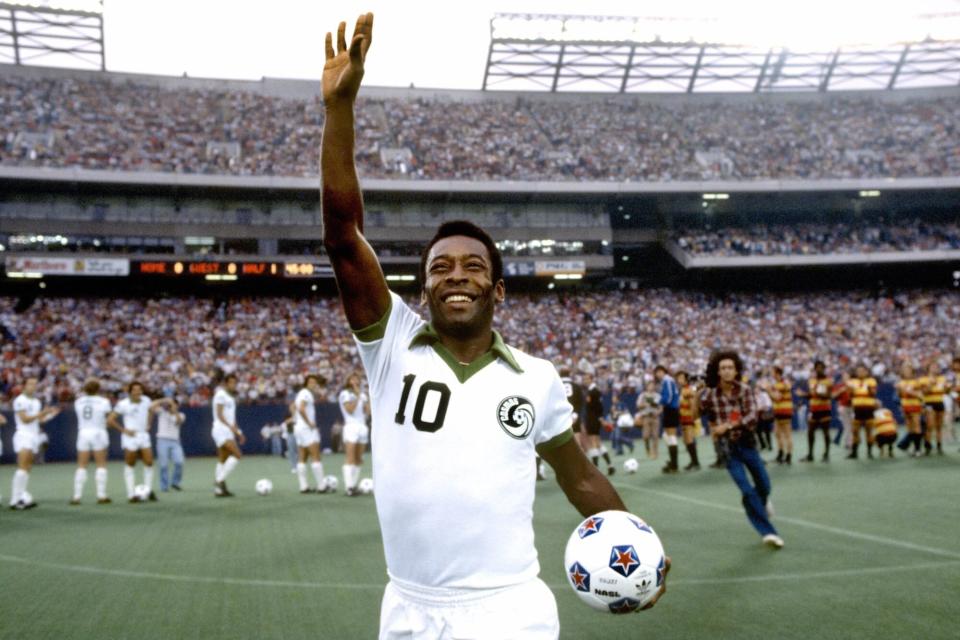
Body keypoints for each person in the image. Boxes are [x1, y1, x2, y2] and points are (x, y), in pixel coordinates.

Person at [320, 13, 667, 635]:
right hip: (407, 609)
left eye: (473, 266)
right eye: (441, 267)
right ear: (422, 288)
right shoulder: (390, 344)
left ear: (497, 288)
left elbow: (579, 477)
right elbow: (344, 239)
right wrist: (339, 110)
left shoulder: (536, 377)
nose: (456, 274)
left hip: (509, 610)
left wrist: (640, 552)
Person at [701, 350, 783, 549]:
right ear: (717, 372)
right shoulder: (710, 394)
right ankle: (768, 532)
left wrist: (726, 426)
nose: (727, 371)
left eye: (730, 367)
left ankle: (760, 504)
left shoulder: (745, 390)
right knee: (747, 490)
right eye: (723, 368)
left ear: (737, 370)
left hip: (747, 443)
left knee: (764, 485)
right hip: (727, 449)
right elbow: (699, 413)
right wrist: (696, 394)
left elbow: (751, 418)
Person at [9, 377, 60, 509]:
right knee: (22, 466)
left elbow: (39, 421)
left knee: (27, 468)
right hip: (23, 435)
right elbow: (25, 419)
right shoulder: (20, 400)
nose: (33, 386)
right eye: (30, 384)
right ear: (24, 385)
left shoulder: (37, 401)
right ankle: (15, 500)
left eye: (35, 384)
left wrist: (51, 414)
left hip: (33, 436)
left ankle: (21, 497)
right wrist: (43, 412)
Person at [113, 381, 164, 503]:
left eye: (140, 389)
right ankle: (131, 494)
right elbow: (110, 420)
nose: (138, 392)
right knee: (130, 463)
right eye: (135, 390)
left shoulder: (146, 400)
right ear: (130, 392)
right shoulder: (123, 404)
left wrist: (149, 423)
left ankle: (148, 491)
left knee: (149, 462)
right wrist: (124, 430)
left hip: (143, 435)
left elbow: (151, 410)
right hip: (130, 437)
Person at [70, 377, 113, 505]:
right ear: (98, 389)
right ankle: (101, 495)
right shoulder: (104, 401)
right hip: (98, 431)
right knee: (101, 464)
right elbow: (109, 419)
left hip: (83, 432)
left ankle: (77, 496)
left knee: (82, 465)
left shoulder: (78, 402)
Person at [294, 374, 332, 494]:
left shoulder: (301, 393)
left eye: (314, 382)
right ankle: (321, 486)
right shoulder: (305, 393)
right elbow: (301, 409)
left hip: (299, 428)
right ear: (306, 383)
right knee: (315, 456)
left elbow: (294, 408)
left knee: (302, 457)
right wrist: (310, 423)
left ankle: (303, 486)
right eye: (311, 382)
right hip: (306, 429)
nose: (313, 384)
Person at [212, 373, 245, 497]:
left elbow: (232, 419)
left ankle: (219, 491)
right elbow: (219, 415)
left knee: (222, 459)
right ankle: (219, 481)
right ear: (225, 383)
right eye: (231, 382)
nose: (233, 385)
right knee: (237, 455)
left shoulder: (231, 398)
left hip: (228, 430)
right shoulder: (220, 394)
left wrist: (238, 432)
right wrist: (230, 427)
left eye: (235, 382)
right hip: (220, 429)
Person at [339, 372, 369, 496]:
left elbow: (368, 411)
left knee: (358, 459)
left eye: (357, 378)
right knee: (350, 458)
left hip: (362, 426)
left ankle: (354, 485)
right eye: (352, 378)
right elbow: (350, 410)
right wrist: (357, 395)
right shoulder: (345, 394)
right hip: (351, 426)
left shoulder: (362, 394)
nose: (355, 380)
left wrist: (367, 399)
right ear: (348, 380)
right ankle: (349, 487)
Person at [582, 372, 615, 475]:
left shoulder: (594, 391)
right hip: (594, 419)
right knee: (598, 443)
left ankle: (596, 469)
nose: (585, 381)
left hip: (593, 419)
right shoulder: (592, 391)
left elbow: (599, 407)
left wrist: (600, 418)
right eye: (584, 379)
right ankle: (610, 465)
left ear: (592, 379)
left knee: (593, 443)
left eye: (587, 379)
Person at [801, 360, 834, 462]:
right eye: (817, 367)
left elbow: (829, 395)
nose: (819, 369)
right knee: (810, 432)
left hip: (824, 408)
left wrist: (818, 394)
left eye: (821, 367)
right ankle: (810, 454)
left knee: (826, 432)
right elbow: (811, 395)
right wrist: (804, 395)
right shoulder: (811, 380)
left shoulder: (828, 381)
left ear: (824, 369)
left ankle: (826, 454)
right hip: (814, 409)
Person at [154, 397, 186, 491]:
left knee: (179, 462)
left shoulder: (181, 415)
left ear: (177, 406)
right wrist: (163, 400)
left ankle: (175, 482)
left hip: (175, 441)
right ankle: (164, 486)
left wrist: (174, 410)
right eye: (170, 404)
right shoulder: (161, 412)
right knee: (163, 465)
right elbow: (150, 406)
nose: (171, 406)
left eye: (174, 404)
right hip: (162, 440)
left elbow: (178, 421)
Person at [654, 365, 682, 473]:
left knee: (671, 436)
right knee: (667, 435)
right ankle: (672, 462)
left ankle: (674, 465)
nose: (658, 374)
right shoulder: (665, 381)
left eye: (660, 371)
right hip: (669, 409)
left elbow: (669, 396)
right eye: (657, 372)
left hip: (671, 409)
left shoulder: (667, 380)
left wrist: (659, 402)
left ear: (663, 371)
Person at [847, 364, 878, 460]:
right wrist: (851, 389)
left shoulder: (871, 381)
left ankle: (869, 452)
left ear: (866, 372)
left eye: (862, 371)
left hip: (868, 408)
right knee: (855, 431)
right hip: (857, 409)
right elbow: (850, 395)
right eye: (858, 371)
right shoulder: (852, 382)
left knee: (869, 431)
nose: (860, 373)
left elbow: (873, 394)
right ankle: (854, 452)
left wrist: (867, 387)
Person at [919, 361, 949, 455]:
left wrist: (947, 388)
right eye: (933, 366)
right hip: (929, 403)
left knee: (939, 426)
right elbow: (923, 392)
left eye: (937, 367)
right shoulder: (923, 379)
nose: (935, 368)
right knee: (930, 425)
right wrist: (931, 384)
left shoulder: (942, 378)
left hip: (939, 402)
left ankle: (939, 446)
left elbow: (946, 392)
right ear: (928, 368)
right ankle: (928, 446)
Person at [896, 362, 924, 457]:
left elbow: (920, 395)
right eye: (905, 371)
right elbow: (899, 396)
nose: (907, 372)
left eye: (908, 370)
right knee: (909, 428)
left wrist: (910, 392)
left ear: (912, 372)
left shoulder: (917, 382)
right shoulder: (900, 383)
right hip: (905, 406)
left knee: (916, 427)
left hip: (915, 405)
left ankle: (918, 449)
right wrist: (899, 391)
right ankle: (911, 448)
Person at [769, 367, 794, 464]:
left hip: (784, 411)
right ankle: (781, 454)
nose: (771, 374)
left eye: (773, 372)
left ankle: (788, 455)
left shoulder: (783, 384)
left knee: (787, 434)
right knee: (777, 433)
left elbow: (777, 398)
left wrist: (768, 390)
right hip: (778, 411)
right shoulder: (776, 384)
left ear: (777, 373)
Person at [677, 371, 701, 470]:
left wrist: (693, 418)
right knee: (686, 440)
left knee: (689, 439)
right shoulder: (683, 389)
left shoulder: (688, 390)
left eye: (681, 378)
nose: (679, 380)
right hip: (683, 418)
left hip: (688, 418)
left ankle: (695, 462)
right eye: (678, 378)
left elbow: (692, 404)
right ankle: (693, 461)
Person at [559, 367, 586, 451]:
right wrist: (575, 414)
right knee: (577, 440)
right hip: (574, 415)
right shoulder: (576, 386)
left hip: (560, 417)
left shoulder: (556, 385)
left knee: (561, 442)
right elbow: (581, 402)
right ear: (569, 374)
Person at [635, 379, 660, 459]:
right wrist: (645, 404)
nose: (651, 387)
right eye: (649, 385)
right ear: (647, 386)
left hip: (655, 417)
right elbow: (638, 405)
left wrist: (658, 412)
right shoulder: (642, 395)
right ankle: (648, 449)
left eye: (653, 385)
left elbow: (661, 407)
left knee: (655, 436)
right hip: (645, 417)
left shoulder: (657, 395)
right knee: (645, 436)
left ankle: (655, 453)